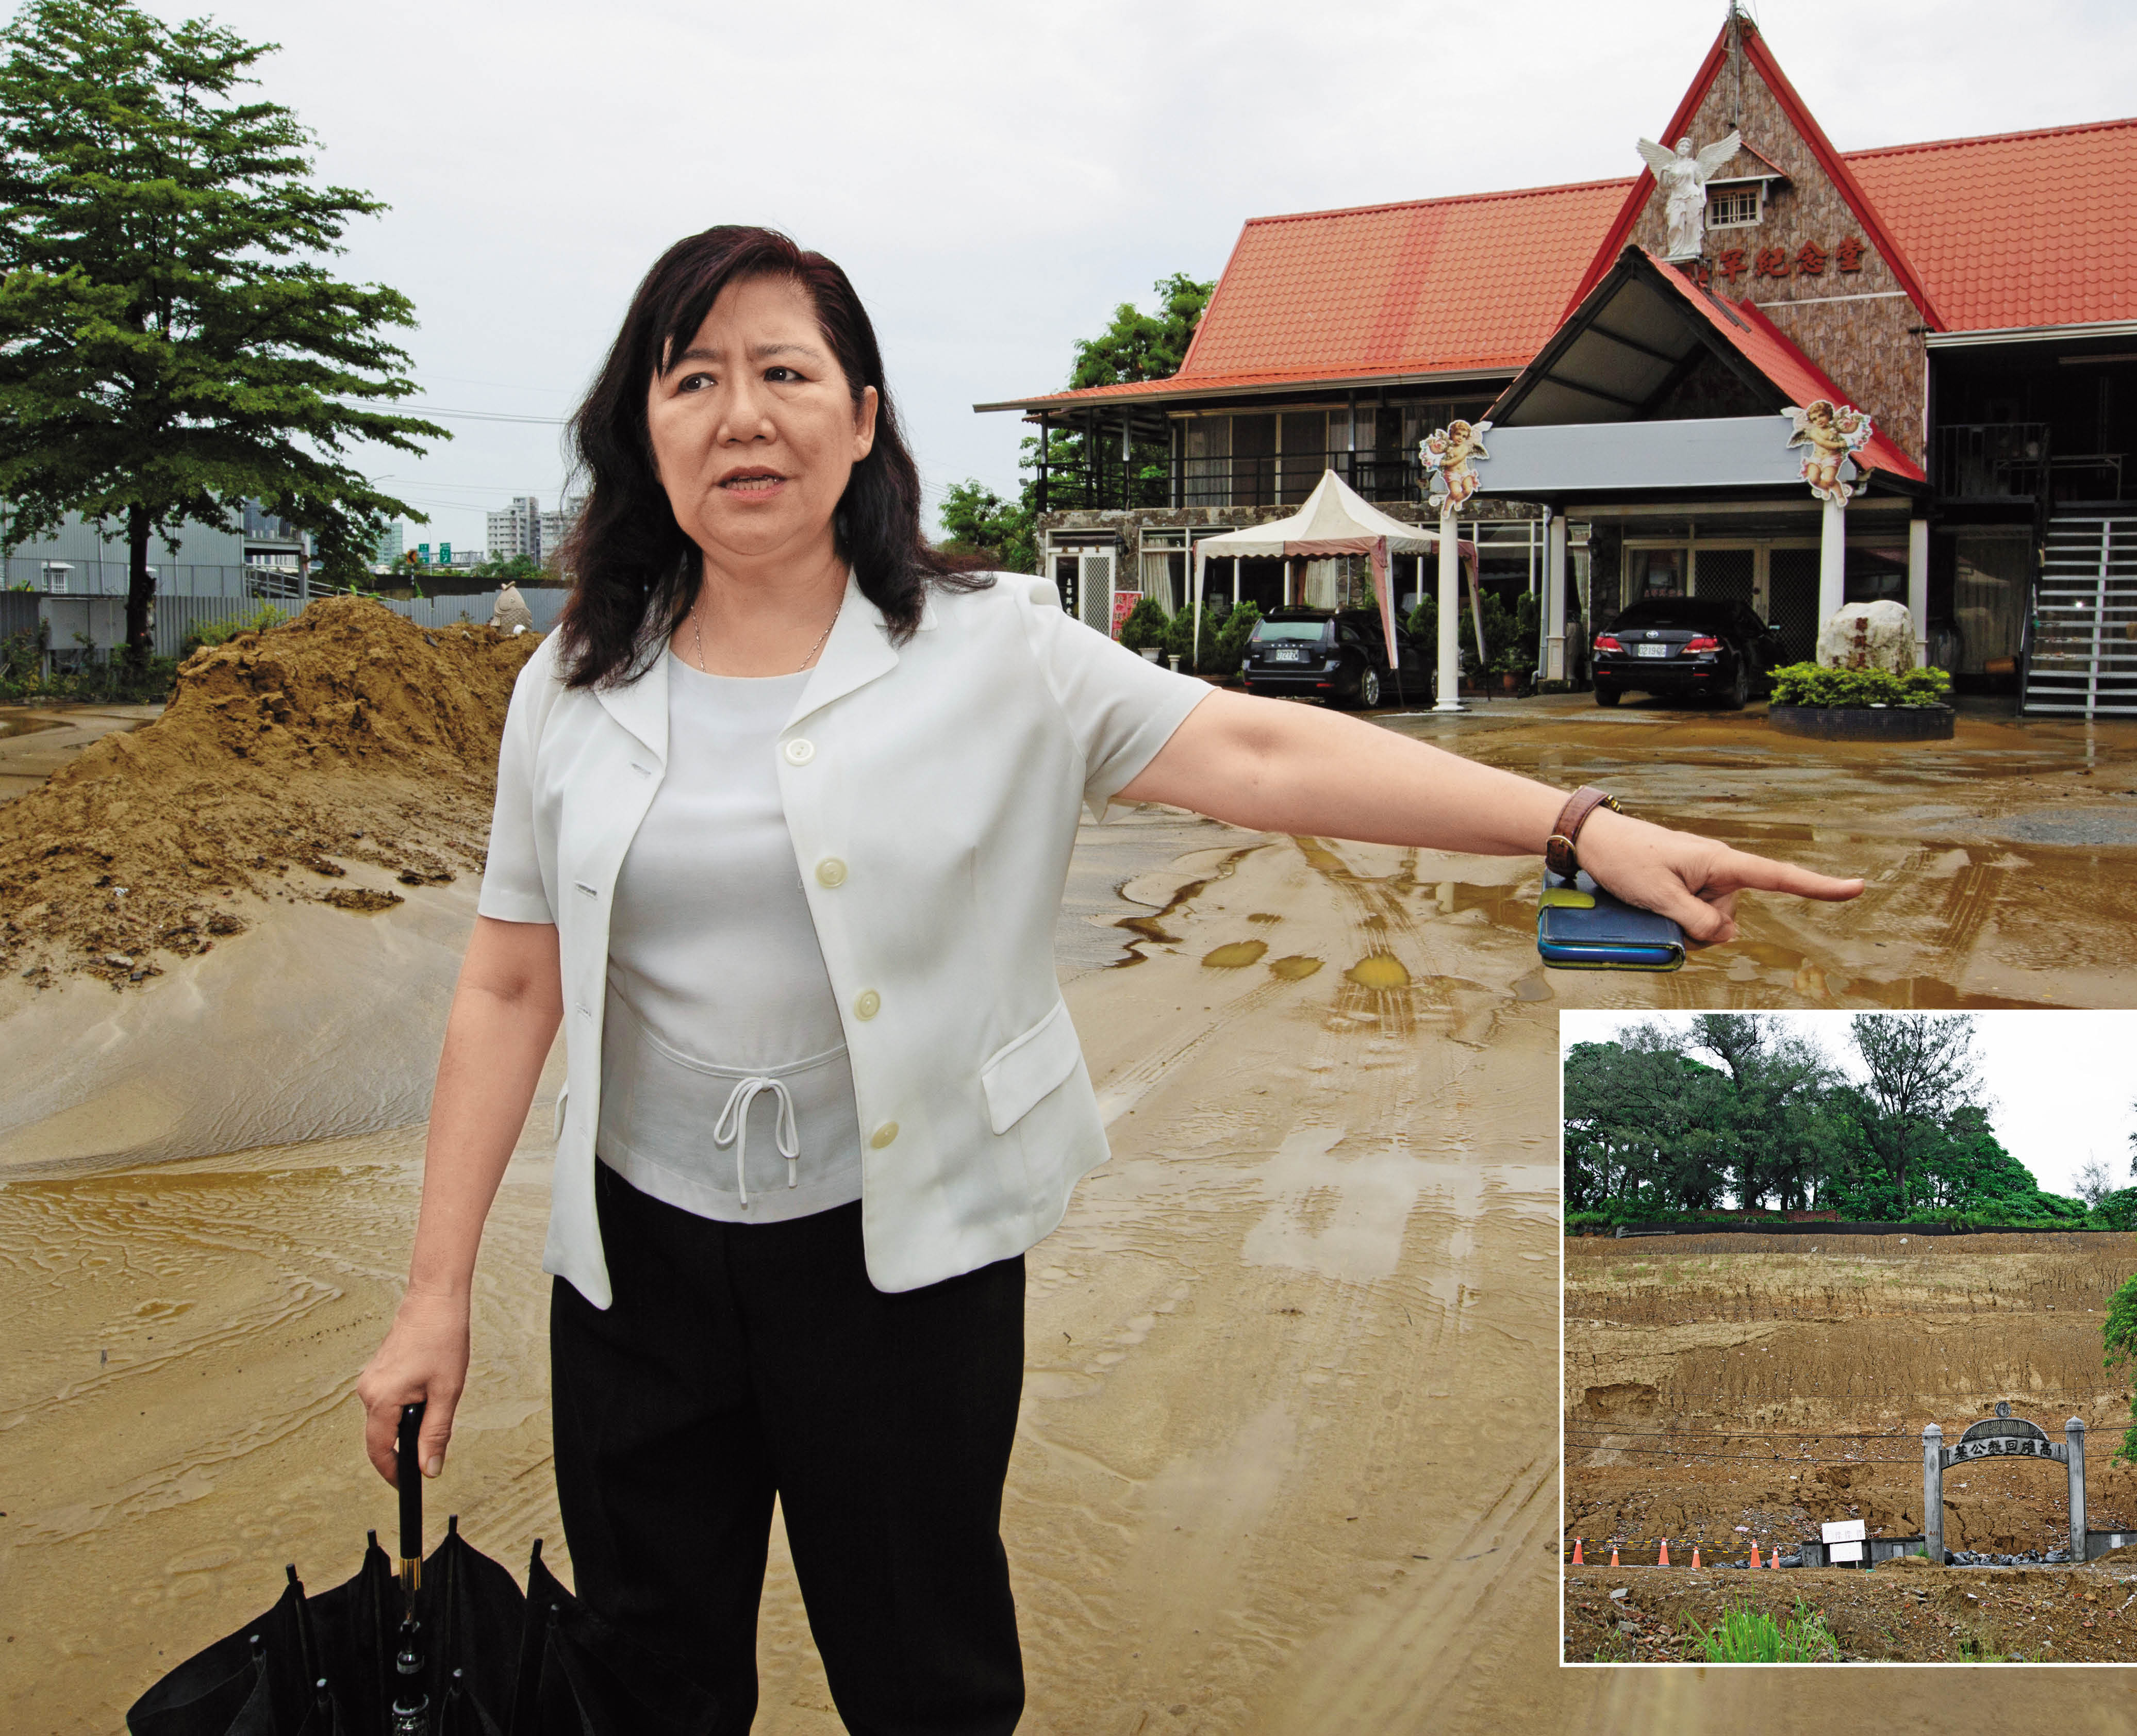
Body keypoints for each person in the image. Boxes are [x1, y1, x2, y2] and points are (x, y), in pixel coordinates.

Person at [355, 225, 1861, 1735]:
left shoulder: (993, 647)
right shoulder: (569, 683)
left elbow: (1261, 751)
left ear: (862, 417)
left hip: (903, 1262)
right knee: (642, 1676)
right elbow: (506, 986)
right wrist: (434, 1299)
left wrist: (1577, 822)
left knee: (926, 1677)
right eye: (693, 380)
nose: (741, 414)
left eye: (783, 371)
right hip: (638, 1265)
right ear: (644, 429)